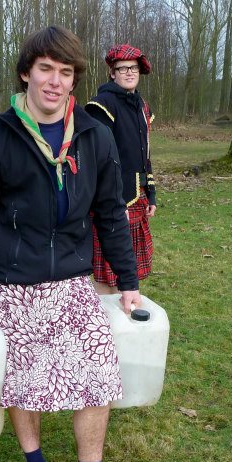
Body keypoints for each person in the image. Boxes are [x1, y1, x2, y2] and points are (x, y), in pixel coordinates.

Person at [0, 26, 147, 462]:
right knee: (25, 378)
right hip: (16, 282)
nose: (55, 82)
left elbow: (110, 214)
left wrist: (128, 282)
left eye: (65, 72)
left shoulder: (94, 137)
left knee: (99, 371)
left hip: (74, 281)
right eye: (46, 70)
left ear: (74, 79)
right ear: (26, 73)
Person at [85, 44, 157, 294]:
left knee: (128, 272)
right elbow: (97, 160)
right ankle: (105, 321)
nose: (129, 72)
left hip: (137, 196)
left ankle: (123, 316)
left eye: (133, 68)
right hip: (111, 199)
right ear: (112, 73)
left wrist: (151, 193)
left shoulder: (142, 106)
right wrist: (112, 204)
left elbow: (144, 153)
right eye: (122, 68)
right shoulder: (101, 105)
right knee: (106, 275)